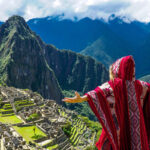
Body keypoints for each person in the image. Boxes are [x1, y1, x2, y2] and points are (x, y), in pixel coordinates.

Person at [62, 55, 150, 150]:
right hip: (138, 135)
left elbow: (99, 93)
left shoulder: (114, 85)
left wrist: (81, 99)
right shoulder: (141, 86)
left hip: (120, 134)